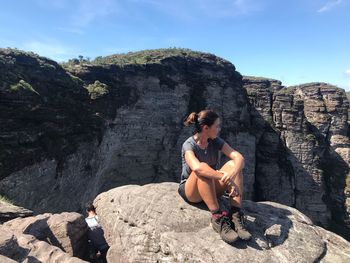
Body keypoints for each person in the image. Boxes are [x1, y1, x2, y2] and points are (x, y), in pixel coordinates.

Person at [178, 109, 252, 244]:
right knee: (203, 168)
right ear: (206, 128)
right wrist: (225, 178)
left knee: (233, 165)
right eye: (217, 126)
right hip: (192, 191)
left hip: (210, 187)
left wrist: (232, 173)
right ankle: (217, 216)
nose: (219, 129)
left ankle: (235, 214)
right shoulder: (188, 145)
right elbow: (197, 168)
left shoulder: (215, 141)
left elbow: (239, 157)